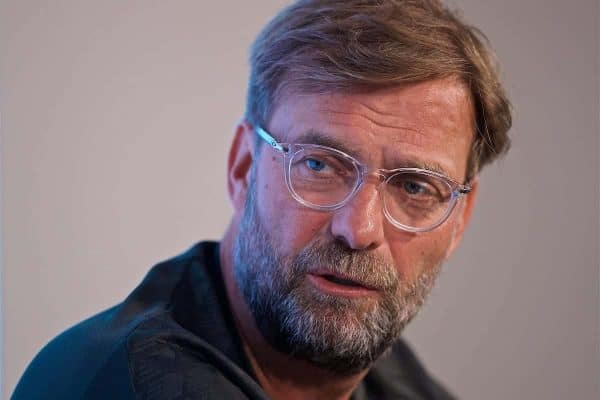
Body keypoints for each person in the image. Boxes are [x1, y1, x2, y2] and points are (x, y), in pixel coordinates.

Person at [13, 0, 511, 399]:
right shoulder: (129, 384)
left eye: (414, 187)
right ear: (243, 167)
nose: (359, 230)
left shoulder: (403, 385)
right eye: (319, 164)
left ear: (460, 217)